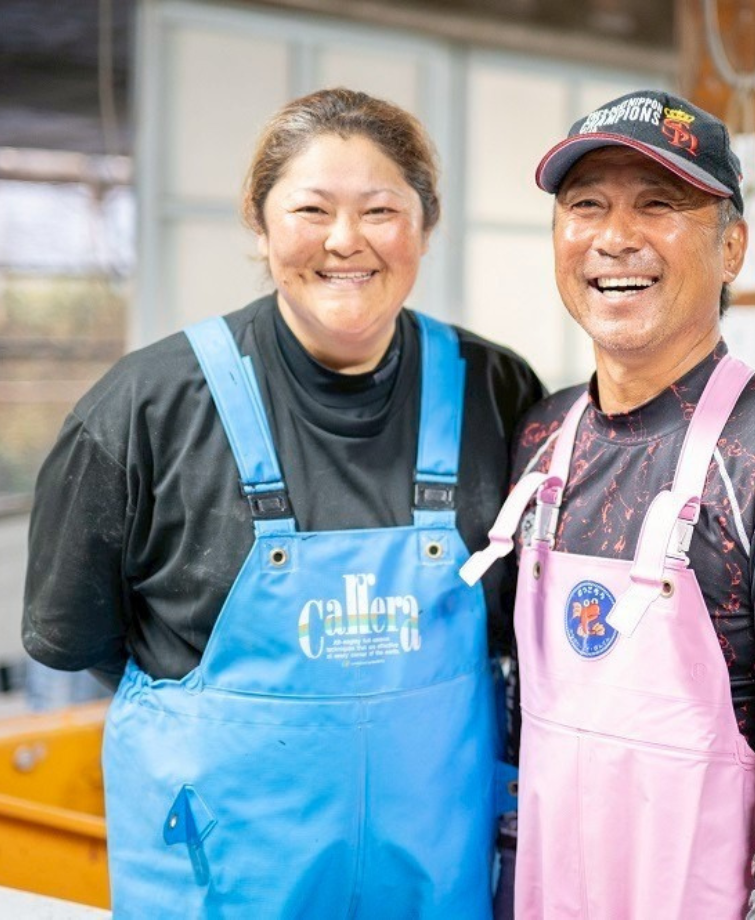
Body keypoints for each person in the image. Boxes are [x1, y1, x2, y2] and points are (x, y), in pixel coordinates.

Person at [22, 88, 543, 918]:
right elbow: (78, 631)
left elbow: (527, 621)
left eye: (381, 210)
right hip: (221, 881)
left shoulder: (497, 391)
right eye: (310, 209)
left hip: (437, 879)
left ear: (423, 228)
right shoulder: (145, 409)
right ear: (260, 228)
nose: (345, 242)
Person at [461, 90, 755, 919]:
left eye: (658, 205)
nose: (614, 237)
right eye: (585, 206)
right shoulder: (543, 438)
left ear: (732, 246)